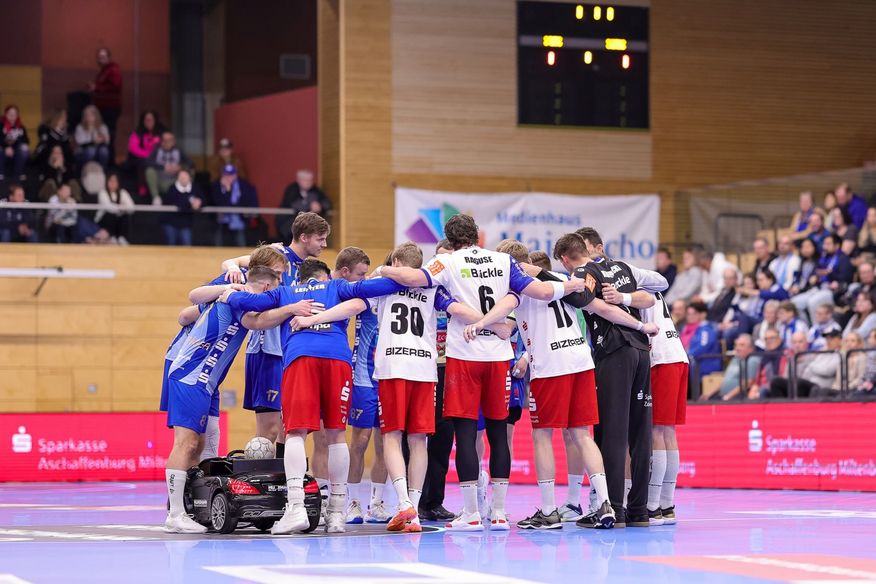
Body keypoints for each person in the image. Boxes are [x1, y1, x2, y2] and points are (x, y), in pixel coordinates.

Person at [378, 216, 644, 531]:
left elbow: (415, 279)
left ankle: (478, 512)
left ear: (450, 238)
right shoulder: (509, 264)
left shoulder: (448, 262)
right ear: (477, 235)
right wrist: (572, 285)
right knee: (507, 432)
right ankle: (508, 512)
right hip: (527, 358)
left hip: (472, 356)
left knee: (472, 434)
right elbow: (545, 293)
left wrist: (385, 269)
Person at [222, 259, 411, 534]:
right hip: (338, 360)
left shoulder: (286, 292)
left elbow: (250, 303)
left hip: (301, 358)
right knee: (336, 435)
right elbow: (380, 286)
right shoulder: (337, 287)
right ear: (325, 277)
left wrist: (229, 294)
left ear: (300, 278)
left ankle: (296, 508)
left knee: (295, 433)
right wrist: (400, 275)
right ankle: (336, 514)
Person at [465, 238, 628, 531]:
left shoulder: (520, 286)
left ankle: (550, 511)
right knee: (582, 434)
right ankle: (605, 503)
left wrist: (480, 323)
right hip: (581, 360)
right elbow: (597, 306)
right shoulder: (563, 278)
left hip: (551, 365)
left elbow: (507, 324)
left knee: (542, 435)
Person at [370, 242, 498, 532]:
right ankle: (414, 513)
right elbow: (458, 309)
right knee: (419, 441)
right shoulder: (432, 288)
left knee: (392, 436)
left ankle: (404, 503)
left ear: (396, 261)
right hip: (426, 370)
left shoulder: (382, 283)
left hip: (393, 366)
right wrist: (493, 322)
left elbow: (354, 298)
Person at [163, 265, 285, 533]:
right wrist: (292, 308)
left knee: (199, 445)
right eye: (274, 290)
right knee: (186, 443)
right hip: (190, 376)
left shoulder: (237, 299)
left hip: (205, 381)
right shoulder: (238, 298)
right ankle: (175, 514)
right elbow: (258, 321)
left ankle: (191, 508)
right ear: (266, 287)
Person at [160, 246, 292, 465]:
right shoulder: (238, 284)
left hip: (209, 372)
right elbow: (186, 311)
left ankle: (200, 484)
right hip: (189, 364)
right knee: (188, 441)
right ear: (263, 272)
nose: (281, 279)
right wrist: (225, 292)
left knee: (205, 439)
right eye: (277, 273)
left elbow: (255, 314)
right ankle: (179, 487)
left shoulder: (250, 293)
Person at [341, 248, 392, 525]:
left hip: (390, 375)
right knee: (359, 441)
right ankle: (352, 502)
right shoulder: (367, 291)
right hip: (363, 376)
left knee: (385, 443)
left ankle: (377, 503)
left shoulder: (405, 295)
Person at [417, 239, 458, 523]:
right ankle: (411, 498)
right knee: (415, 434)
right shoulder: (423, 285)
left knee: (444, 435)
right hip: (422, 366)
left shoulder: (462, 289)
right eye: (441, 258)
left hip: (450, 367)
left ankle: (434, 501)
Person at [640, 291, 688, 525]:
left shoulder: (633, 284)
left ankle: (653, 505)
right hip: (677, 354)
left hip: (661, 357)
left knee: (657, 430)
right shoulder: (653, 284)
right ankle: (667, 505)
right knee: (668, 431)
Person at [791, 234, 854, 320]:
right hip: (818, 288)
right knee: (795, 303)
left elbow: (846, 277)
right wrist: (815, 278)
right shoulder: (823, 257)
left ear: (837, 245)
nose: (825, 247)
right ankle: (805, 325)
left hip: (833, 291)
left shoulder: (843, 258)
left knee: (812, 302)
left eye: (828, 244)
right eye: (824, 244)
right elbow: (817, 273)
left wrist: (830, 274)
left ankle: (817, 326)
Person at [212, 164, 259, 247]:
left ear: (236, 175)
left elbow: (243, 203)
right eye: (226, 175)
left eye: (231, 175)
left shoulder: (244, 186)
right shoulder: (216, 186)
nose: (228, 178)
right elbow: (219, 203)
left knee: (241, 245)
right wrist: (227, 190)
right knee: (220, 245)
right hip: (222, 222)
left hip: (240, 221)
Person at [277, 169, 332, 239]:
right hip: (290, 225)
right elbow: (293, 204)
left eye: (310, 180)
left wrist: (320, 206)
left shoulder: (315, 190)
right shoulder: (291, 190)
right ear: (298, 180)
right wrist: (310, 207)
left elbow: (327, 203)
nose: (308, 182)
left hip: (310, 226)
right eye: (305, 180)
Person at [90, 47, 122, 157]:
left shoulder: (113, 70)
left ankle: (110, 160)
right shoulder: (104, 71)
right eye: (99, 57)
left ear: (108, 57)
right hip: (102, 108)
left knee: (109, 135)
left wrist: (97, 88)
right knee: (103, 133)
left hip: (110, 108)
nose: (101, 59)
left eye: (103, 57)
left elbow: (115, 86)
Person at [145, 132, 193, 205]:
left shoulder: (178, 151)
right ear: (161, 142)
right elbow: (147, 162)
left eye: (169, 140)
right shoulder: (157, 150)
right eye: (165, 140)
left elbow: (190, 163)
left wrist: (180, 167)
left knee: (190, 171)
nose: (167, 143)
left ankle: (187, 195)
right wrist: (163, 167)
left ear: (174, 141)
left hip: (175, 180)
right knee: (149, 171)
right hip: (160, 180)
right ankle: (156, 197)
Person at [709, 335, 760, 401]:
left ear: (751, 348)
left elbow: (748, 382)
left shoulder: (752, 360)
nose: (738, 348)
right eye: (736, 345)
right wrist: (709, 394)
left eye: (742, 345)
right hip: (723, 396)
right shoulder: (735, 359)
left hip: (738, 397)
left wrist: (728, 396)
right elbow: (725, 380)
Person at [160, 169, 202, 246]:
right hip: (170, 222)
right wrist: (190, 204)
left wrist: (199, 202)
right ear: (177, 178)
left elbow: (203, 200)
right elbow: (177, 203)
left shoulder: (195, 188)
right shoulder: (172, 188)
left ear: (190, 178)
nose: (183, 179)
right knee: (170, 245)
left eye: (185, 177)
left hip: (185, 224)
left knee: (186, 245)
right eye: (181, 177)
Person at [127, 111, 164, 197]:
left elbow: (164, 146)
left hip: (156, 158)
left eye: (151, 120)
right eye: (147, 120)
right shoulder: (137, 133)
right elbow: (133, 148)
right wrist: (148, 155)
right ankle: (142, 186)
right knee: (143, 162)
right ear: (143, 121)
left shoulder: (160, 133)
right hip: (140, 159)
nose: (149, 122)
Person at [768, 331, 816, 398]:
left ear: (806, 344)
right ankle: (781, 404)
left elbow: (809, 377)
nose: (797, 345)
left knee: (799, 383)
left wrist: (802, 361)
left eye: (800, 342)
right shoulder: (791, 359)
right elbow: (786, 377)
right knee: (776, 381)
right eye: (794, 342)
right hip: (792, 386)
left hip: (806, 386)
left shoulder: (813, 357)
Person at [682, 301, 722, 378]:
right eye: (688, 314)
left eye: (694, 313)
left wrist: (686, 356)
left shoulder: (706, 329)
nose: (691, 316)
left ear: (702, 314)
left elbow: (703, 346)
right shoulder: (685, 329)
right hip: (692, 364)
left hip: (705, 366)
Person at [95, 173, 134, 245]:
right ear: (107, 182)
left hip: (119, 220)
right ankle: (111, 237)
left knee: (125, 216)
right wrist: (122, 207)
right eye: (111, 181)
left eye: (115, 181)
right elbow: (109, 208)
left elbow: (131, 208)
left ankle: (121, 237)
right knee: (111, 215)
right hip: (104, 220)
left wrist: (123, 208)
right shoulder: (102, 193)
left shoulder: (123, 192)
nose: (113, 183)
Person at [747, 329, 786, 399]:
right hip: (762, 387)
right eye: (766, 339)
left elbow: (783, 376)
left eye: (772, 338)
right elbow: (758, 379)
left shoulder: (785, 354)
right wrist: (754, 388)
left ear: (779, 339)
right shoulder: (764, 356)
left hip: (778, 387)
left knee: (763, 391)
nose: (768, 341)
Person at [806, 329, 843, 394]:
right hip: (811, 383)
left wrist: (812, 366)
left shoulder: (841, 354)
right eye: (827, 339)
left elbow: (827, 371)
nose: (828, 341)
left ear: (839, 340)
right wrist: (813, 367)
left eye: (831, 338)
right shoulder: (823, 352)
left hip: (824, 387)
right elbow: (808, 369)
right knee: (794, 384)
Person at [1, 105, 29, 181]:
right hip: (3, 149)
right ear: (6, 114)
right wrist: (6, 147)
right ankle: (1, 172)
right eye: (10, 113)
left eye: (15, 114)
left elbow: (26, 140)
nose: (12, 116)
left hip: (16, 150)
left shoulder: (21, 127)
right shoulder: (1, 125)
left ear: (17, 115)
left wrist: (13, 147)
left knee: (24, 148)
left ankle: (18, 173)